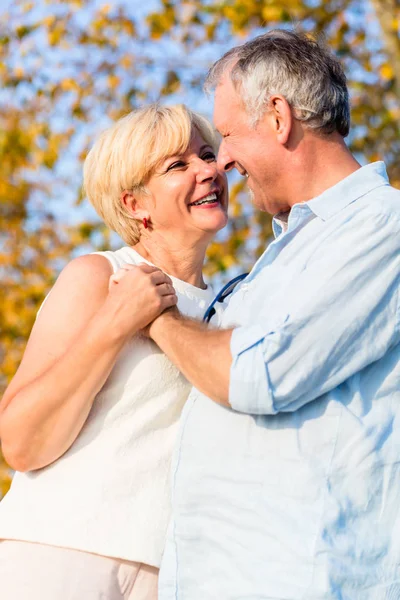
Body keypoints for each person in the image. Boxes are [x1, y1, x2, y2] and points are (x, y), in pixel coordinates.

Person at [141, 31, 399, 599]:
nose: (224, 159)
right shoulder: (281, 256)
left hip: (300, 579)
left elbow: (259, 375)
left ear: (278, 118)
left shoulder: (385, 226)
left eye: (227, 135)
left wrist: (155, 314)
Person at [0, 103, 228, 599]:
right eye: (178, 165)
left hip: (173, 574)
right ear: (134, 204)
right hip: (57, 552)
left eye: (207, 155)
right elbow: (19, 440)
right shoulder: (98, 275)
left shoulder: (232, 308)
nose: (209, 170)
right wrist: (114, 322)